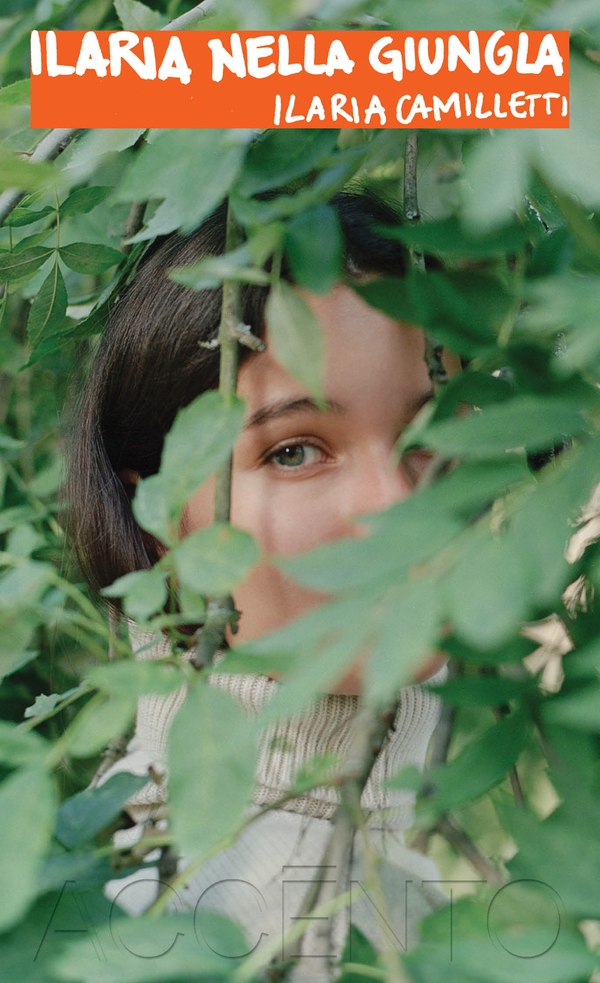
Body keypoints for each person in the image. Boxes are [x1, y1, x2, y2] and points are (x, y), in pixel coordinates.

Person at [67, 191, 453, 978]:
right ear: (159, 522)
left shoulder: (380, 878)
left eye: (430, 433)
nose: (398, 503)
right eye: (295, 450)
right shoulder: (197, 916)